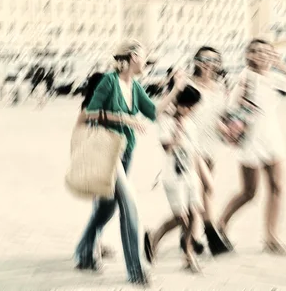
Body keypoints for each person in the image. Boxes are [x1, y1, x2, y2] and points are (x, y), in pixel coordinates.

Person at [74, 39, 185, 286]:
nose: (146, 62)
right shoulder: (109, 81)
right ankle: (136, 270)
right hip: (106, 150)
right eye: (145, 56)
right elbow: (90, 112)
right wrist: (123, 118)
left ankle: (84, 252)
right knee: (129, 204)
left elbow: (153, 112)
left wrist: (176, 90)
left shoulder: (134, 86)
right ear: (134, 56)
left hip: (126, 152)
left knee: (107, 208)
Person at [216, 38, 286, 256]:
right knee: (249, 192)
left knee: (277, 187)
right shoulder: (245, 78)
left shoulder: (273, 77)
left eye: (266, 51)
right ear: (248, 55)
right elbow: (229, 107)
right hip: (250, 139)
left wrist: (283, 67)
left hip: (272, 137)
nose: (261, 54)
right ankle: (219, 225)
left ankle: (271, 237)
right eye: (255, 51)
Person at [144, 46, 231, 262]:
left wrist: (227, 128)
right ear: (196, 60)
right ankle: (192, 237)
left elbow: (222, 115)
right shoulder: (185, 83)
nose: (209, 63)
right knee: (201, 195)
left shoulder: (221, 88)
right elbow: (164, 109)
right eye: (204, 59)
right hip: (190, 147)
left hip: (211, 144)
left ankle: (187, 240)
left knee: (197, 199)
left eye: (214, 60)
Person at [145, 85, 204, 273]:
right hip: (172, 175)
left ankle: (188, 255)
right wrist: (177, 130)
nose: (191, 111)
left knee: (194, 213)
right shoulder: (166, 121)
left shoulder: (192, 124)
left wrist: (198, 175)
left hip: (189, 174)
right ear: (180, 104)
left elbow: (194, 152)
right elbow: (167, 147)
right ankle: (154, 237)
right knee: (182, 218)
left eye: (193, 108)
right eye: (189, 106)